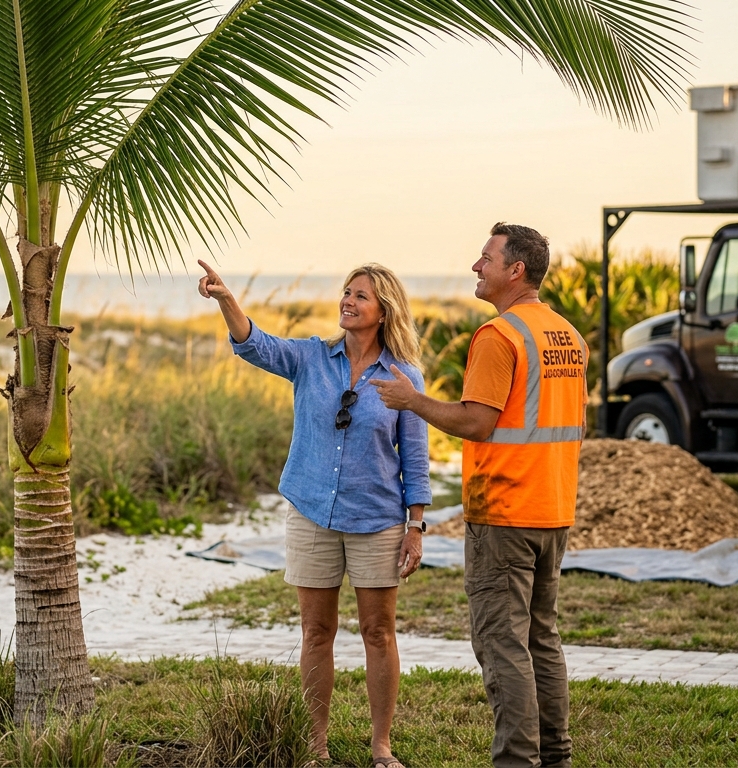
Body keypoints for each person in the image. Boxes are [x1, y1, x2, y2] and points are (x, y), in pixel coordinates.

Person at [198, 259, 432, 768]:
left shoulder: (402, 376)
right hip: (311, 514)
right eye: (346, 292)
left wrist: (415, 527)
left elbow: (414, 460)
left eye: (360, 296)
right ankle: (315, 745)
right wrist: (225, 299)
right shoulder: (310, 357)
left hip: (377, 520)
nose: (347, 301)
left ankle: (381, 746)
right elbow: (256, 344)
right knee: (316, 631)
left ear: (383, 310)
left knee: (378, 631)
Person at [371, 223, 587, 768]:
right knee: (541, 638)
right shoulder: (567, 335)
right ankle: (554, 756)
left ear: (515, 270)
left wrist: (412, 400)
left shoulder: (500, 336)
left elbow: (477, 422)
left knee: (502, 643)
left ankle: (517, 759)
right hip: (553, 508)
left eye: (485, 258)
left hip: (506, 512)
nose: (476, 266)